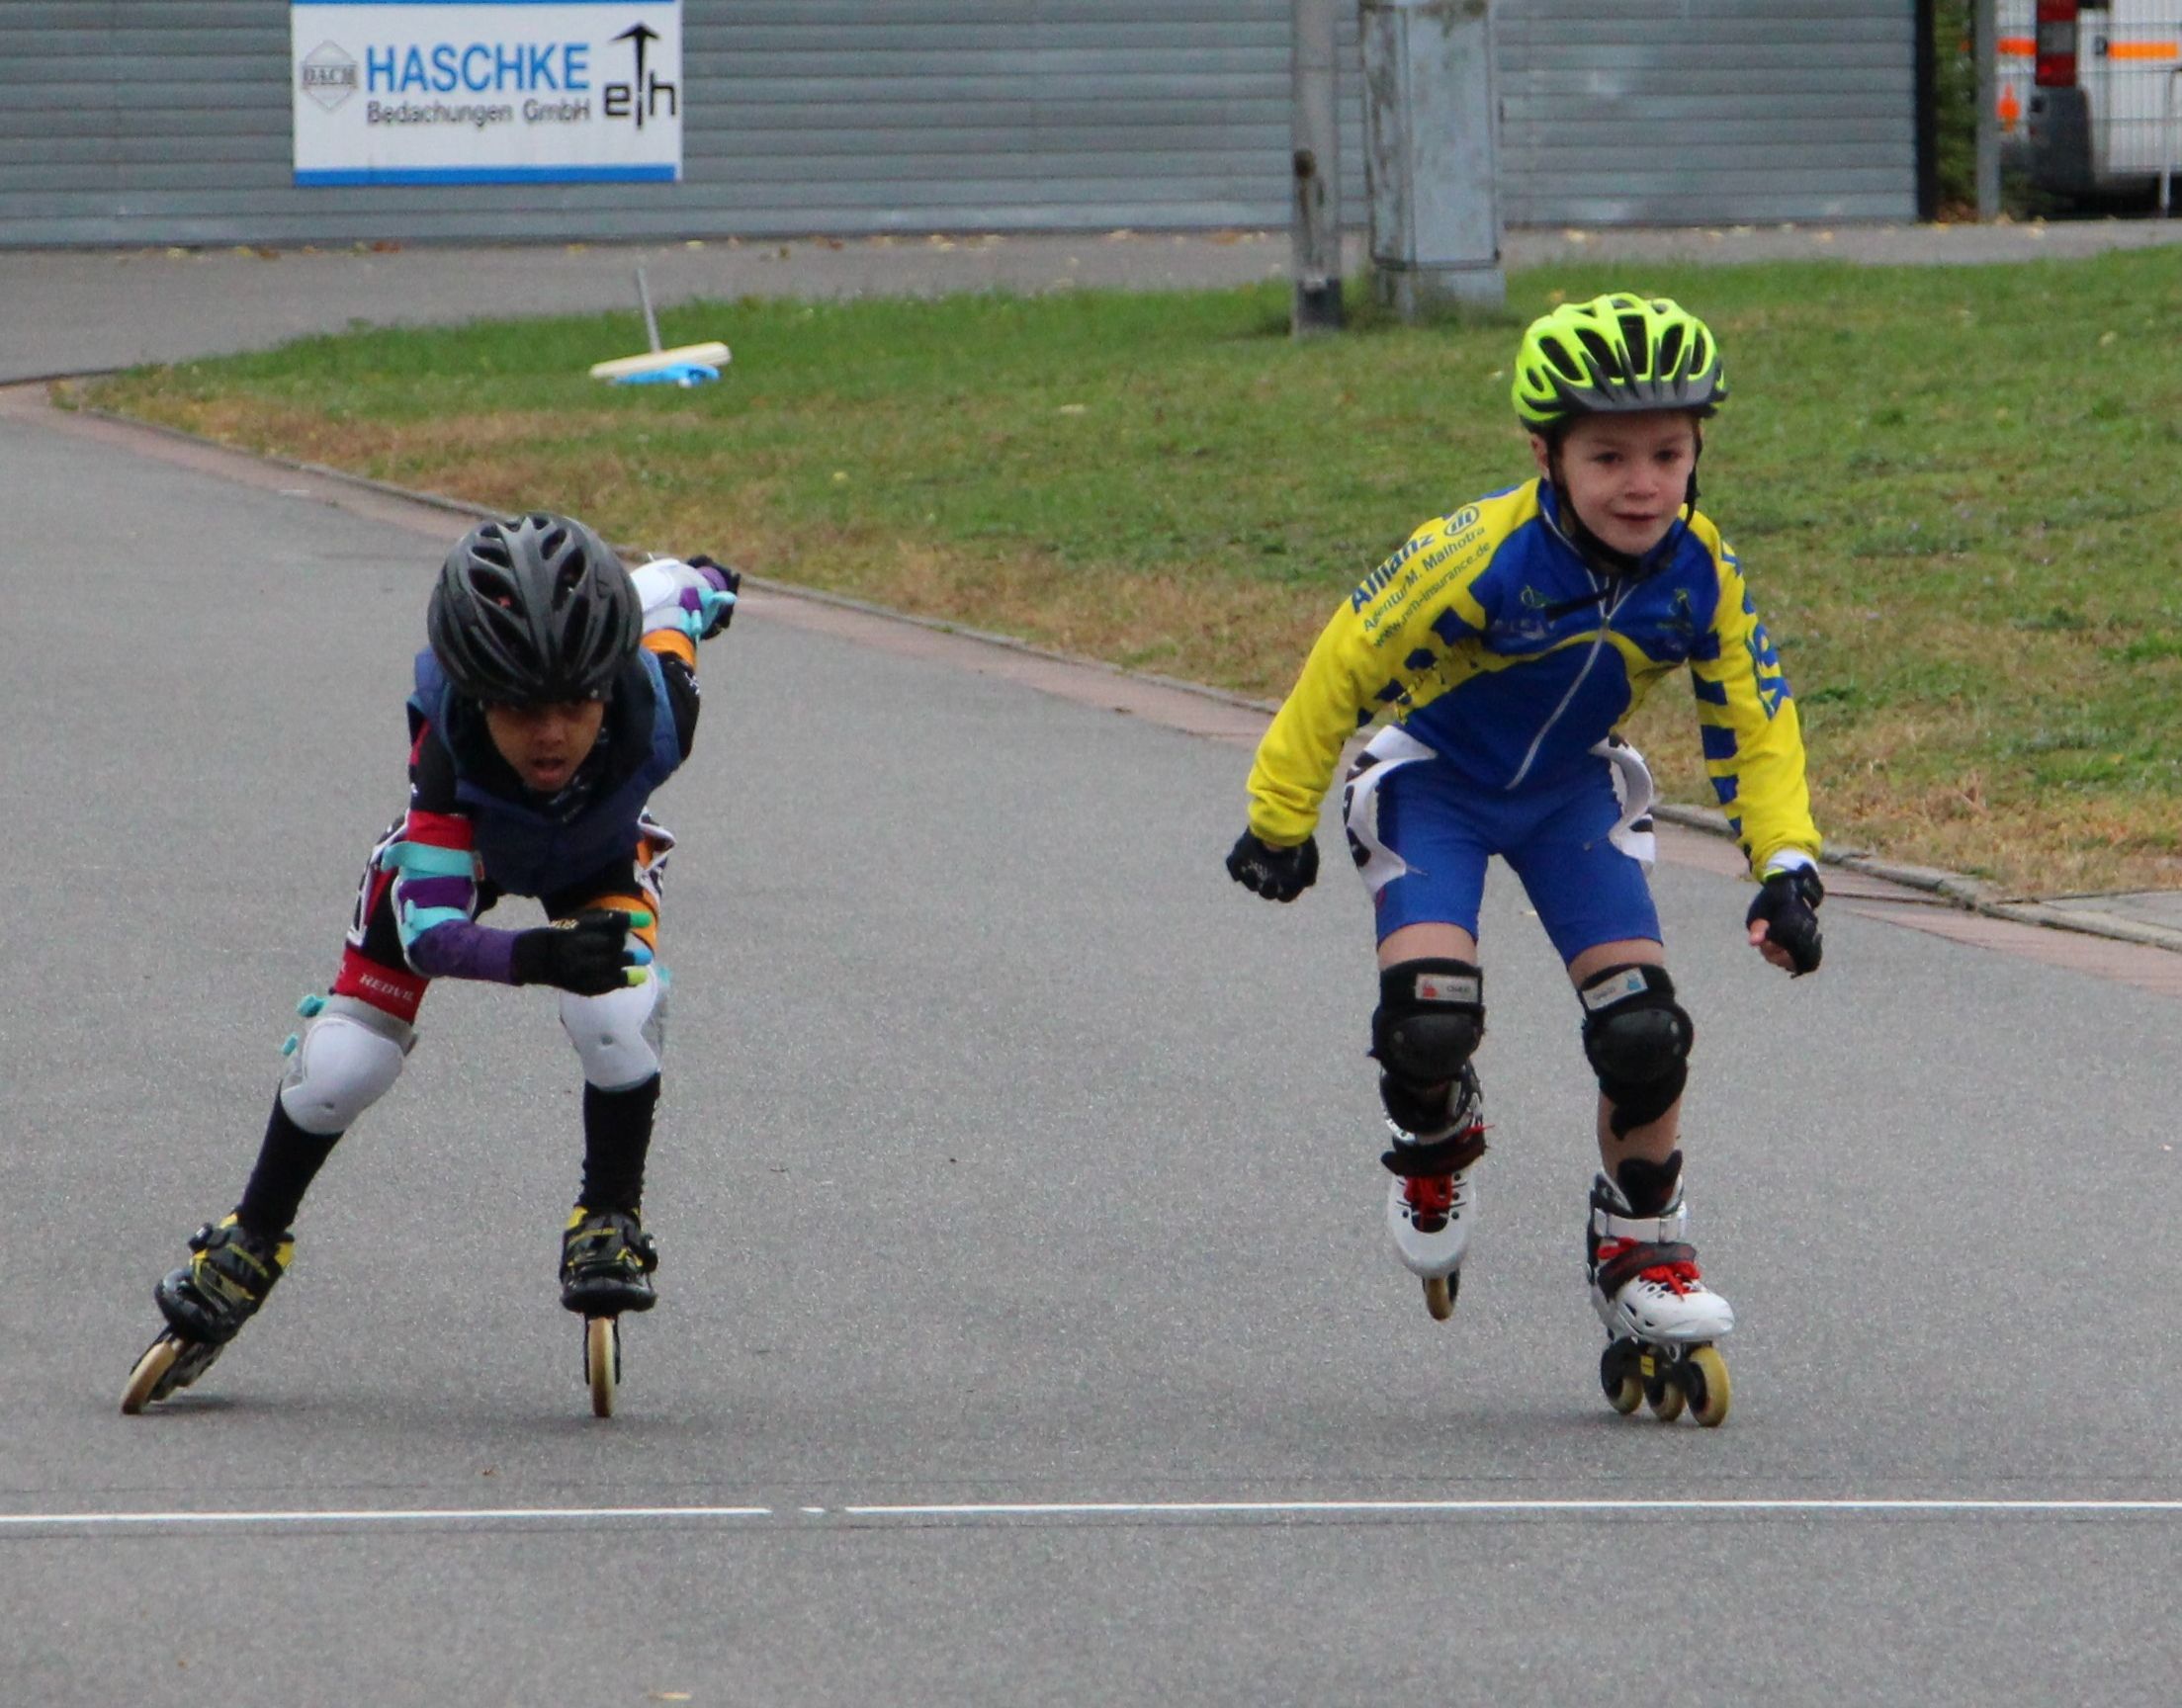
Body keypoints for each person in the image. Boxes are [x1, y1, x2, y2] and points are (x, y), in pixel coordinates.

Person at [1224, 293, 1823, 1418]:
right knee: (1428, 1018)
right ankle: (1431, 1130)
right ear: (1544, 454)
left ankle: (1640, 1249)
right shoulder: (1476, 554)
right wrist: (1277, 816)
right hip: (1434, 786)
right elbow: (1342, 665)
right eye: (1607, 458)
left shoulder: (1699, 569)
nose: (1642, 485)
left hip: (1566, 798)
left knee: (1644, 1031)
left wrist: (1786, 863)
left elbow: (1752, 716)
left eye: (1667, 454)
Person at [128, 512, 739, 1403]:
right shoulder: (448, 750)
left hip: (598, 853)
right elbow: (433, 935)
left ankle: (610, 1211)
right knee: (343, 1064)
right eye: (519, 708)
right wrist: (537, 955)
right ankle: (252, 1235)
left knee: (616, 1010)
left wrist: (707, 580)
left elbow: (671, 597)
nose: (551, 736)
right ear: (475, 697)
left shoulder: (661, 708)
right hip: (470, 854)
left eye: (575, 703)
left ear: (610, 682)